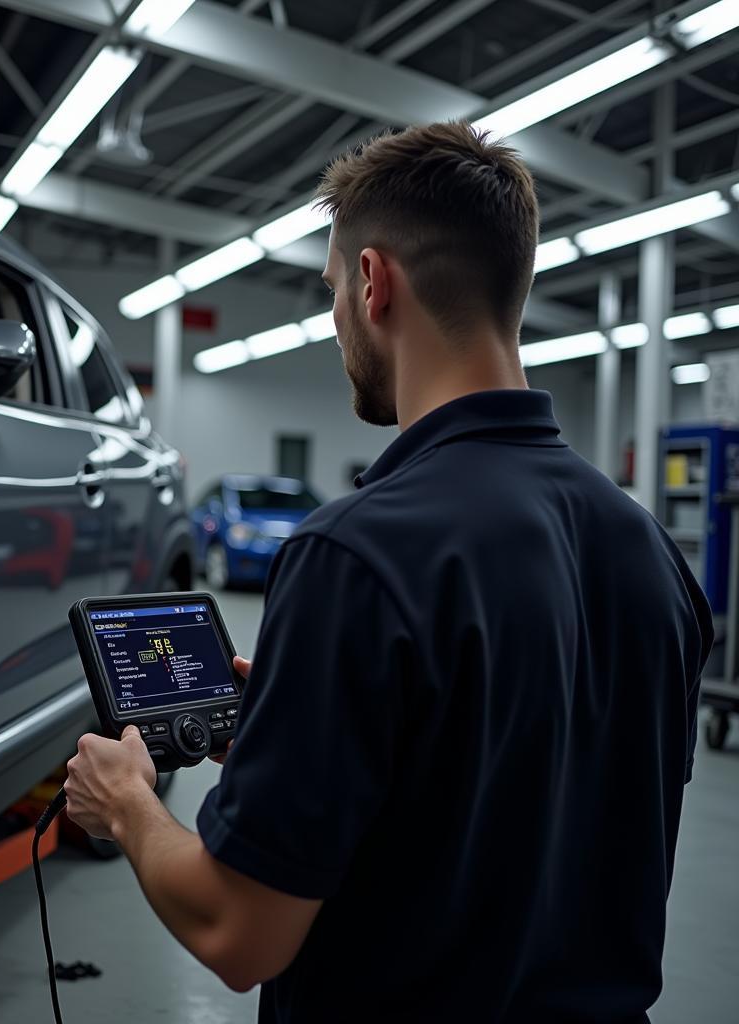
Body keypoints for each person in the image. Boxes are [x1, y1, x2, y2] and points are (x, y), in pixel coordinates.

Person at [64, 121, 713, 1022]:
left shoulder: (352, 557)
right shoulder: (651, 555)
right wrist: (306, 728)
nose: (336, 322)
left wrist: (128, 803)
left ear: (373, 283)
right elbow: (535, 788)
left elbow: (239, 931)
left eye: (331, 290)